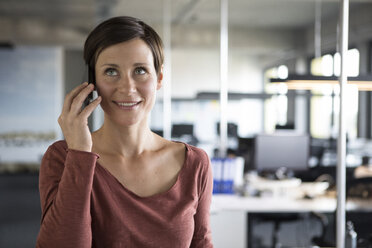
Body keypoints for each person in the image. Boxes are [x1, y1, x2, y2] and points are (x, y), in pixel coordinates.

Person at [36, 16, 213, 248]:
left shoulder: (195, 163)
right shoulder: (63, 157)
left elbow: (201, 243)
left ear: (159, 78)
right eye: (111, 71)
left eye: (140, 70)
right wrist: (79, 155)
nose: (127, 88)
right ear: (93, 80)